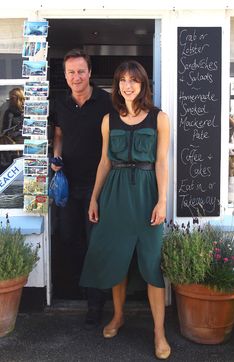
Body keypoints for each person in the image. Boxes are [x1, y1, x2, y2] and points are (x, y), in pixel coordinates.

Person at [80, 60, 171, 359]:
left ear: (143, 83)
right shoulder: (109, 120)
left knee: (152, 262)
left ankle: (159, 332)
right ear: (117, 85)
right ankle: (118, 316)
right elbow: (105, 162)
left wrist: (162, 200)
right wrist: (94, 198)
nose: (127, 85)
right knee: (116, 257)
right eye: (122, 80)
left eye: (134, 80)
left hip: (146, 194)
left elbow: (161, 162)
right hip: (115, 194)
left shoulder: (159, 118)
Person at [50, 48, 113, 330]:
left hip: (97, 185)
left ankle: (95, 303)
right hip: (68, 185)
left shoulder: (105, 102)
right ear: (65, 75)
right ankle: (83, 286)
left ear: (89, 72)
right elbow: (60, 134)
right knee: (68, 237)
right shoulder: (60, 103)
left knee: (96, 243)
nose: (76, 77)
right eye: (71, 72)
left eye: (81, 71)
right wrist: (57, 156)